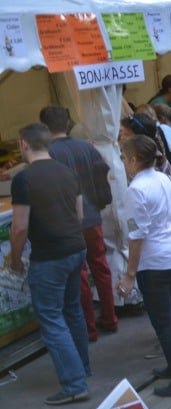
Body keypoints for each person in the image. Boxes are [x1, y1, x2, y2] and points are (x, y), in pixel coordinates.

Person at [10, 123, 92, 405]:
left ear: (23, 145)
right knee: (73, 312)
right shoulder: (68, 171)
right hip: (75, 248)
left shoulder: (23, 179)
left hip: (49, 256)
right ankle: (82, 368)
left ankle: (73, 383)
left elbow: (19, 227)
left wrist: (14, 261)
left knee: (52, 319)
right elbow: (79, 215)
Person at [117, 135, 171, 397]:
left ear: (135, 159)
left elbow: (137, 236)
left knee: (164, 322)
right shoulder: (164, 177)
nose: (124, 162)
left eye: (124, 158)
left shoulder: (135, 189)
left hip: (155, 261)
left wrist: (129, 275)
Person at [40, 106, 118, 343]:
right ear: (68, 122)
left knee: (80, 274)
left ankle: (88, 329)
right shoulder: (87, 146)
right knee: (101, 268)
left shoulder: (48, 154)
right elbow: (103, 175)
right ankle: (110, 318)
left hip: (67, 223)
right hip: (92, 217)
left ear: (44, 127)